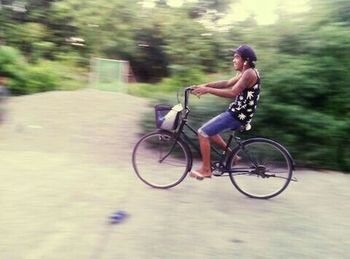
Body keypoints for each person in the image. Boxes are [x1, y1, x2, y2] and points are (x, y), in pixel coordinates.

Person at [189, 44, 261, 180]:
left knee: (202, 133)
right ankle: (233, 156)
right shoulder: (245, 72)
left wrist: (208, 90)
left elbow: (232, 92)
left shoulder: (249, 74)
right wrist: (205, 85)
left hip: (237, 115)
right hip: (237, 112)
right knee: (211, 131)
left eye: (236, 57)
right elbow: (227, 83)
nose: (233, 60)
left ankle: (206, 169)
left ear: (245, 60)